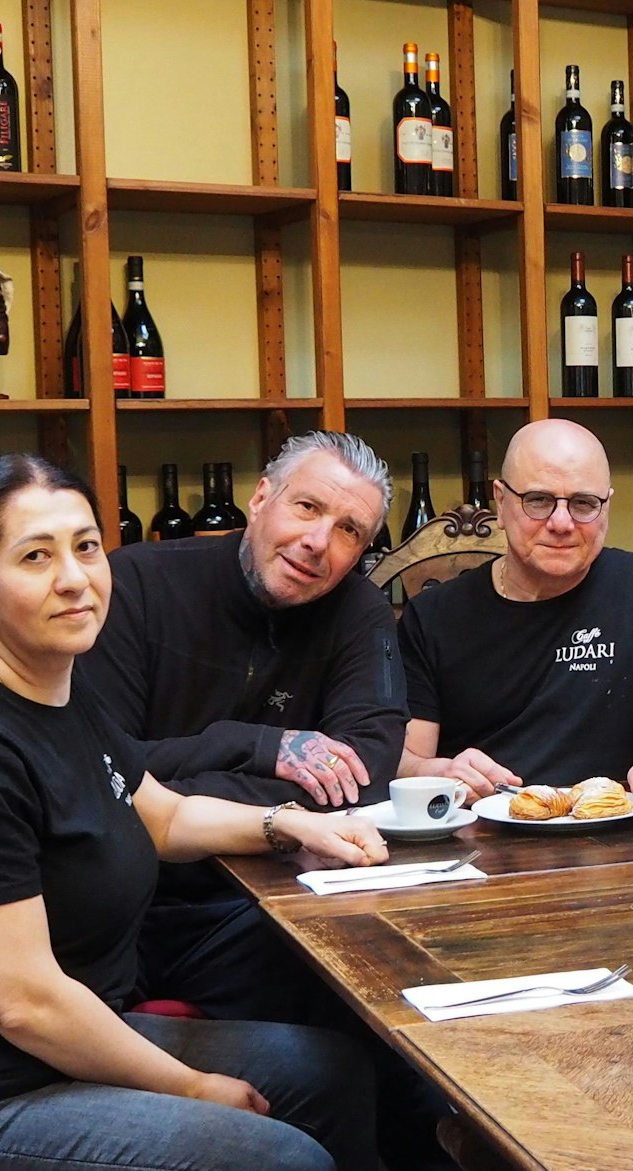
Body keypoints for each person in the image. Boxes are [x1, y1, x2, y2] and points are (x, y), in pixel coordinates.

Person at [0, 454, 387, 1171]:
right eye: (36, 557)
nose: (74, 578)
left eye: (84, 547)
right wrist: (192, 1086)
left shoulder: (55, 690)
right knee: (278, 1157)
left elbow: (161, 817)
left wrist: (287, 823)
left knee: (332, 1073)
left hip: (39, 1052)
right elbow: (25, 1002)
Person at [75, 431, 406, 1024]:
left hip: (271, 896)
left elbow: (363, 778)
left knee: (382, 994)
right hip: (123, 895)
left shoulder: (360, 612)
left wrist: (178, 782)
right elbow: (100, 769)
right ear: (260, 499)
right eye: (306, 507)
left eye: (349, 531)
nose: (317, 542)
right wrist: (254, 747)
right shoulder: (137, 585)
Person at [398, 419, 633, 807]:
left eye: (583, 504)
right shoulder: (434, 616)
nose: (561, 523)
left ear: (607, 505)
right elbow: (405, 758)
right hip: (486, 834)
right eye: (539, 501)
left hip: (619, 829)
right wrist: (436, 773)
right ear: (501, 500)